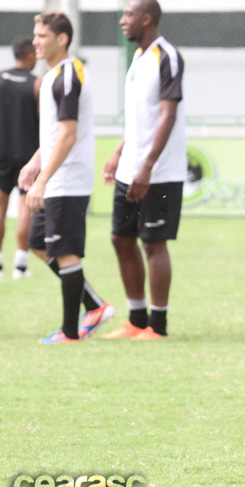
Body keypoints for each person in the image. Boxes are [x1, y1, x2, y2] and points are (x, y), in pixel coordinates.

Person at [18, 11, 113, 343]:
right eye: (35, 35)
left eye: (42, 36)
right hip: (54, 176)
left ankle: (70, 333)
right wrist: (35, 162)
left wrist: (43, 179)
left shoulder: (69, 76)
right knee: (37, 244)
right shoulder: (54, 75)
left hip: (68, 179)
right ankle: (96, 305)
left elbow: (69, 135)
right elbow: (55, 134)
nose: (35, 41)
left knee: (67, 252)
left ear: (62, 39)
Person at [101, 0, 186, 340]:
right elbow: (142, 118)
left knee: (153, 243)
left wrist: (147, 166)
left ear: (147, 18)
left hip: (159, 171)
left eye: (128, 14)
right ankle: (136, 320)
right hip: (129, 168)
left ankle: (158, 325)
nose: (123, 20)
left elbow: (167, 114)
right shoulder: (138, 57)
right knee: (121, 238)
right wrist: (119, 152)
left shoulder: (168, 57)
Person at [0, 37, 39, 279]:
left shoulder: (1, 78)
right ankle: (20, 267)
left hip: (1, 152)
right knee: (25, 210)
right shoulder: (37, 84)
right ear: (30, 55)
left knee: (1, 208)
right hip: (27, 155)